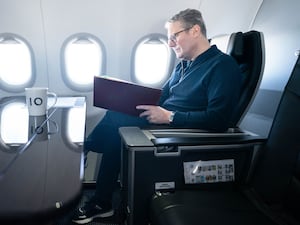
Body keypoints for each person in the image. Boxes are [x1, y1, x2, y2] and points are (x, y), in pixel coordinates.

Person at [72, 8, 242, 224]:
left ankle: (85, 156)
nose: (170, 44)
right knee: (116, 113)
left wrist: (170, 117)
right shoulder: (184, 66)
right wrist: (125, 95)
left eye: (174, 37)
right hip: (165, 120)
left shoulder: (222, 66)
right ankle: (98, 189)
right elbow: (161, 98)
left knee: (116, 121)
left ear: (195, 30)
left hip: (180, 130)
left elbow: (219, 119)